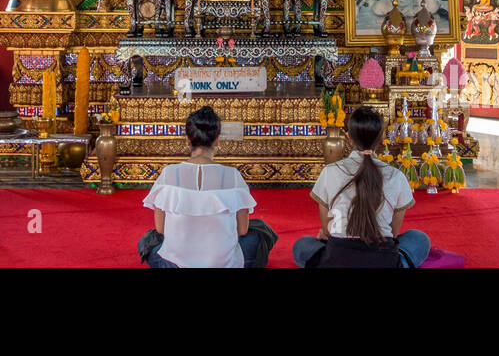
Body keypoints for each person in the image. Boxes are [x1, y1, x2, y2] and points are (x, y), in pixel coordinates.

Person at [138, 106, 276, 268]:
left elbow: (160, 230)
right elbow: (242, 230)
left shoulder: (169, 174)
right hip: (225, 264)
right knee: (260, 233)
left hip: (174, 264)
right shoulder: (232, 176)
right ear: (217, 139)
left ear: (188, 140)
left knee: (147, 241)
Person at [292, 107, 430, 268]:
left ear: (349, 137)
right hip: (383, 259)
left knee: (302, 245)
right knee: (418, 238)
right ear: (380, 139)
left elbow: (328, 231)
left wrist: (331, 235)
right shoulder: (395, 176)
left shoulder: (329, 172)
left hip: (338, 259)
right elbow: (392, 234)